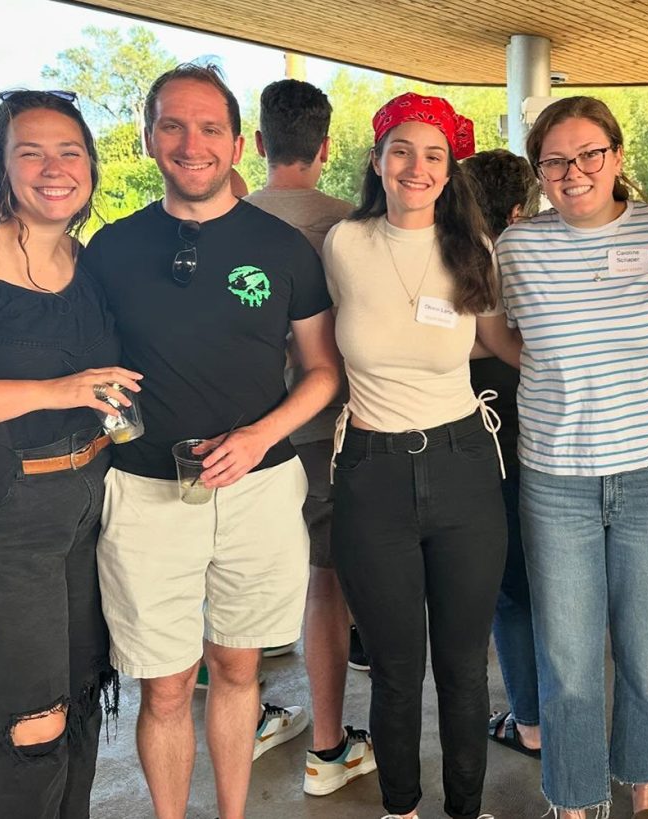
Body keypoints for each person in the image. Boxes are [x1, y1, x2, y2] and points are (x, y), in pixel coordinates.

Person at [82, 64, 340, 819]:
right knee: (164, 683)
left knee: (237, 667)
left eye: (208, 128)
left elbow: (323, 371)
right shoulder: (111, 248)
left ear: (236, 142)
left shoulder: (286, 248)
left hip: (257, 490)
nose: (191, 143)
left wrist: (260, 436)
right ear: (149, 137)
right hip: (144, 493)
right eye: (172, 125)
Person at [495, 95, 648, 819]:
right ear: (538, 170)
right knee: (570, 656)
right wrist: (557, 368)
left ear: (617, 155)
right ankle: (574, 800)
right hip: (555, 477)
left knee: (647, 649)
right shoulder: (515, 249)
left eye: (590, 154)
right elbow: (497, 333)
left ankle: (644, 786)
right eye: (556, 159)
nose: (574, 171)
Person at [323, 91, 518, 819]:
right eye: (401, 150)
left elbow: (498, 344)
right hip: (371, 471)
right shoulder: (343, 245)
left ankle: (466, 809)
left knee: (465, 667)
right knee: (397, 670)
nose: (417, 165)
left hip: (464, 465)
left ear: (450, 167)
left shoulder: (474, 249)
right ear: (378, 161)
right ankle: (399, 808)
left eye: (433, 154)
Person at [0, 88, 138, 819]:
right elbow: (61, 387)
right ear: (0, 164)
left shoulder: (91, 262)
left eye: (69, 150)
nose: (54, 167)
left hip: (91, 509)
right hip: (7, 519)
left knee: (84, 697)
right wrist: (60, 388)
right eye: (31, 151)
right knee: (30, 721)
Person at [244, 76, 375, 796]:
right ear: (326, 147)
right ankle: (328, 746)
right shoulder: (352, 226)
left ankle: (251, 714)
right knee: (325, 582)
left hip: (237, 433)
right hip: (327, 430)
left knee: (228, 581)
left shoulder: (221, 220)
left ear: (259, 144)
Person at [463, 148, 542, 757]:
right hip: (543, 445)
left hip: (476, 451)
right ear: (519, 209)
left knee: (511, 594)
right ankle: (551, 716)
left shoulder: (451, 261)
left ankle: (531, 721)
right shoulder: (534, 262)